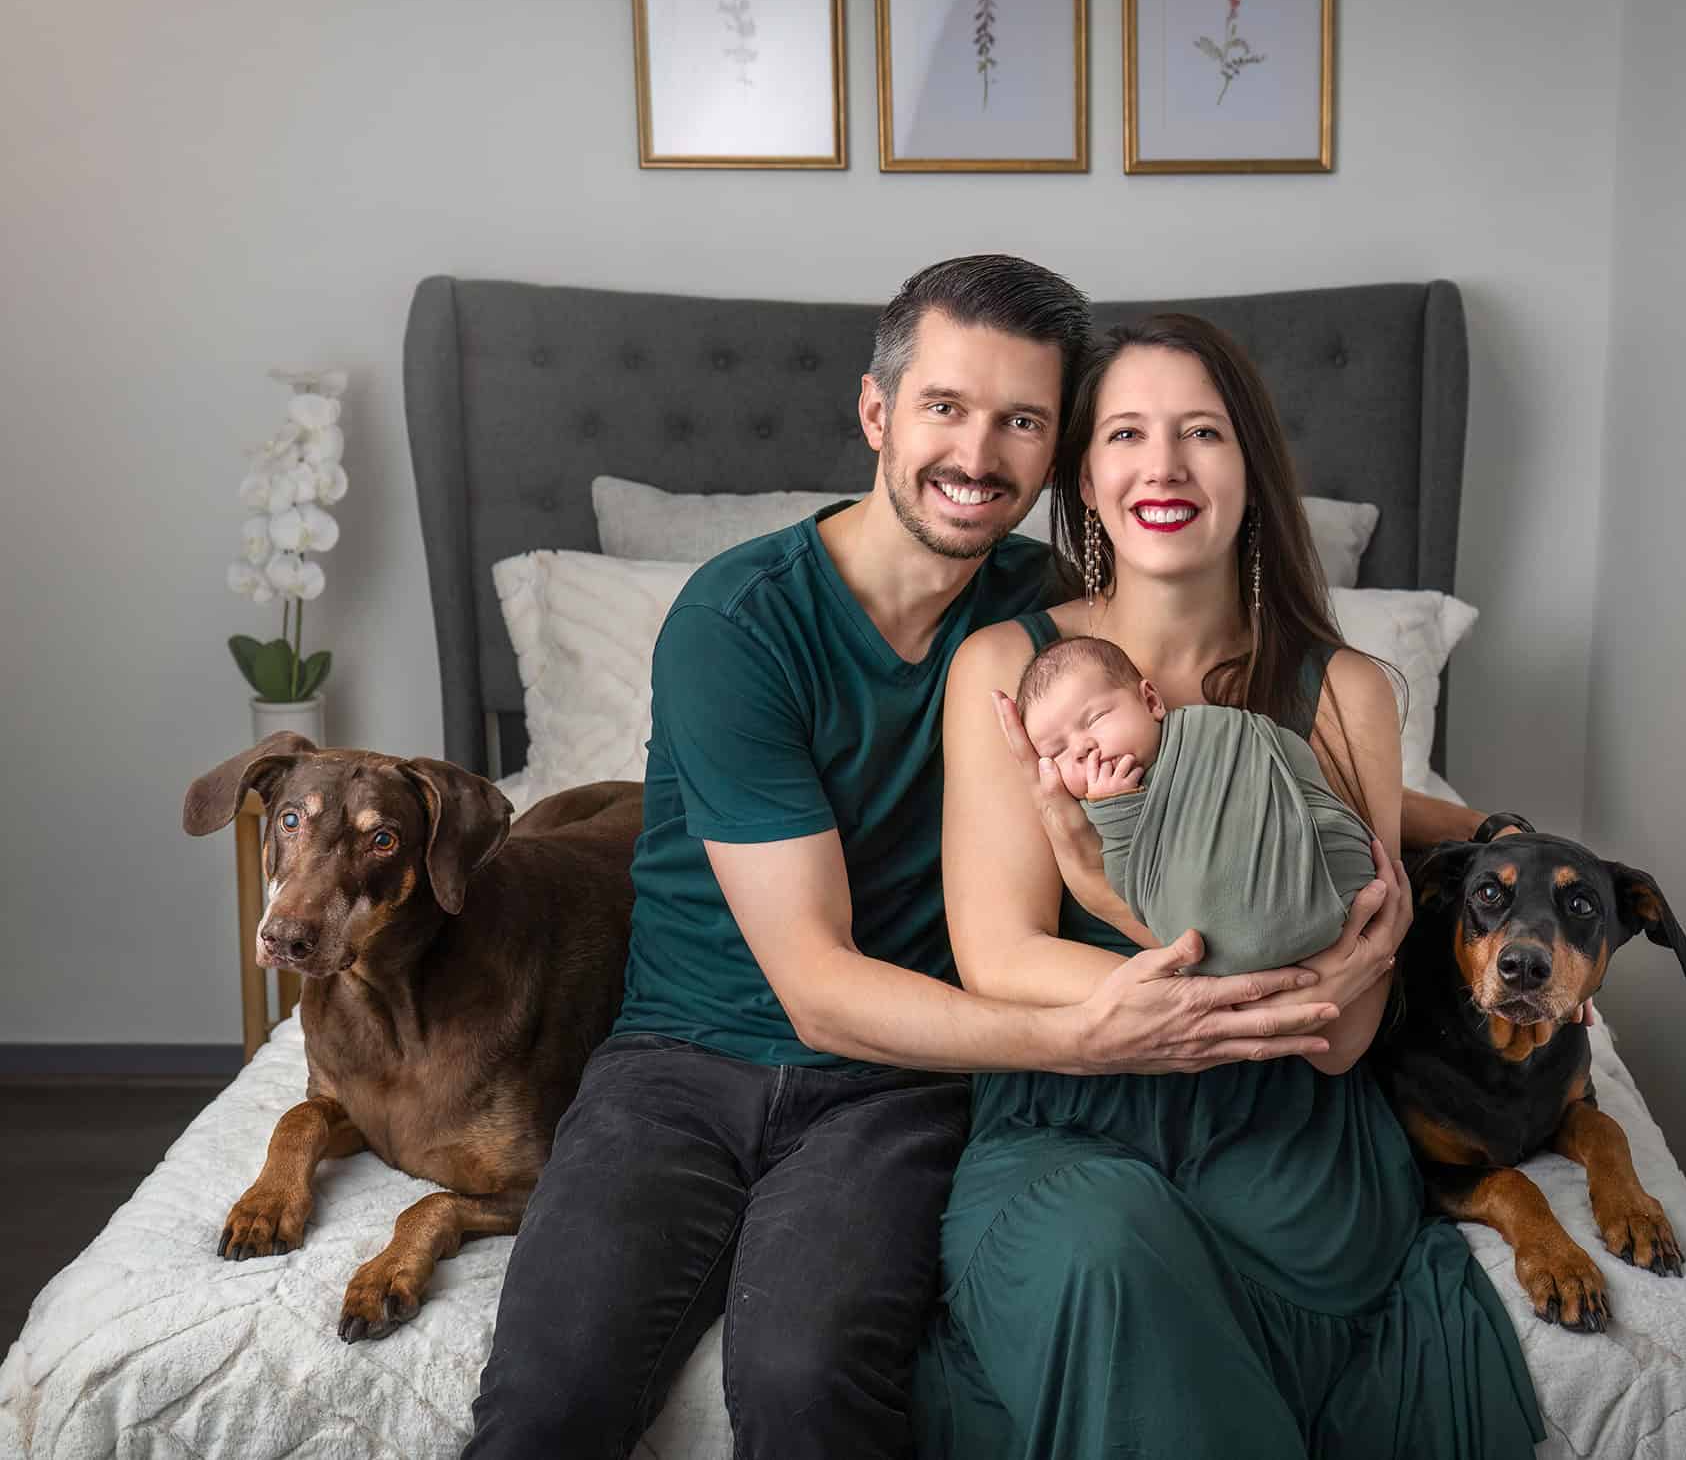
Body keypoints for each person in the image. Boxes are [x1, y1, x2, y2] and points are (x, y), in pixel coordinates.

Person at [460, 257, 1395, 1460]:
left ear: (1055, 458)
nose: (977, 453)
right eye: (945, 408)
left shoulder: (1046, 615)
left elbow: (1215, 746)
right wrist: (1088, 1037)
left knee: (807, 1385)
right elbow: (815, 982)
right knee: (546, 1400)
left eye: (1020, 421)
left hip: (899, 1087)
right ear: (875, 414)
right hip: (688, 1065)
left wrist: (1450, 837)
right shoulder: (737, 623)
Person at [913, 314, 1547, 1458]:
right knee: (1100, 1249)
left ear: (1248, 469)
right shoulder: (1004, 669)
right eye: (1125, 435)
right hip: (1070, 1123)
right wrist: (1270, 983)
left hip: (1290, 1155)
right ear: (1084, 478)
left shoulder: (1344, 689)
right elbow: (998, 958)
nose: (1161, 466)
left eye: (1199, 433)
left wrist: (1118, 923)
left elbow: (1346, 1033)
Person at [1014, 633, 1379, 987]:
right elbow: (1133, 886)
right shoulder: (1104, 813)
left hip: (1327, 880)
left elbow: (1289, 767)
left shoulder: (1220, 732)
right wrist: (1115, 811)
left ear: (1151, 701)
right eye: (1057, 751)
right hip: (1226, 945)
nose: (1082, 748)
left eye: (1094, 719)